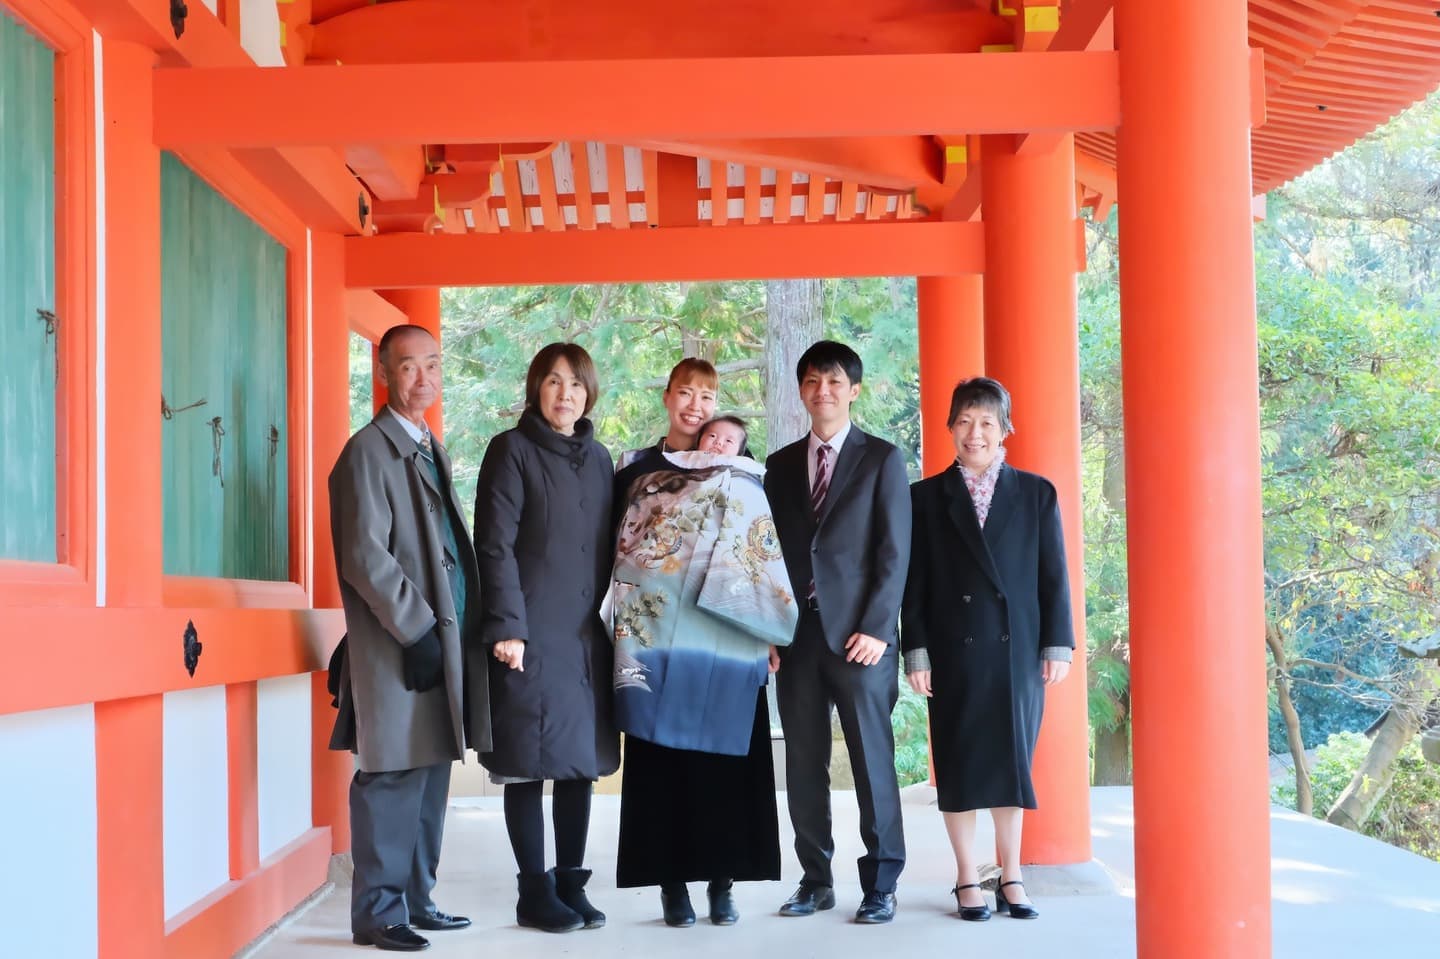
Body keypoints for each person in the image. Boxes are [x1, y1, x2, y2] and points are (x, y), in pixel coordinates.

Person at [327, 323, 488, 952]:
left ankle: (418, 899)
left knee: (430, 768)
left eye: (433, 365)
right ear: (384, 375)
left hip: (440, 639)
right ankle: (377, 914)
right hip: (401, 641)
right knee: (391, 772)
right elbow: (366, 556)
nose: (424, 378)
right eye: (409, 367)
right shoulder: (367, 451)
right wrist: (417, 627)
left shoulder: (429, 446)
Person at [901, 377, 1074, 922]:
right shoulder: (923, 498)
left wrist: (1058, 643)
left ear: (1005, 431)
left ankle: (1013, 874)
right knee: (957, 764)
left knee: (1010, 762)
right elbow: (915, 584)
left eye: (987, 423)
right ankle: (964, 877)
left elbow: (1054, 577)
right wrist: (918, 652)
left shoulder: (1037, 493)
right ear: (950, 427)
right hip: (953, 651)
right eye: (965, 422)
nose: (976, 433)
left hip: (1016, 651)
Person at [609, 415, 790, 927]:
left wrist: (766, 631)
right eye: (713, 435)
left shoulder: (750, 485)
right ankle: (671, 885)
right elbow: (627, 548)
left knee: (727, 766)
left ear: (741, 450)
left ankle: (722, 883)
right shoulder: (647, 477)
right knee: (662, 760)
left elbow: (762, 559)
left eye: (730, 440)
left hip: (727, 638)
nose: (718, 443)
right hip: (661, 637)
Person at [763, 340, 912, 925]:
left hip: (861, 641)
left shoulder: (882, 459)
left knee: (873, 760)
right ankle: (815, 878)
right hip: (797, 639)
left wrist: (877, 629)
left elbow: (894, 553)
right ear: (801, 391)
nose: (821, 391)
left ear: (853, 389)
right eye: (811, 381)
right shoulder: (777, 466)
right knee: (803, 763)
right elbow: (764, 555)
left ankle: (881, 882)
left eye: (833, 381)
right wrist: (769, 630)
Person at [472, 342, 618, 934]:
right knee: (528, 762)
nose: (566, 394)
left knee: (578, 762)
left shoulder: (601, 457)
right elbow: (494, 543)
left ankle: (569, 883)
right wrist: (508, 627)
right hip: (529, 633)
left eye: (576, 384)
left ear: (589, 393)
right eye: (554, 382)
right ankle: (533, 891)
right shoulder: (511, 450)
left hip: (588, 636)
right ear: (536, 388)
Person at [614, 357, 718, 471]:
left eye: (706, 397)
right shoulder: (631, 462)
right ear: (666, 397)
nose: (695, 406)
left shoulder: (726, 464)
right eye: (685, 393)